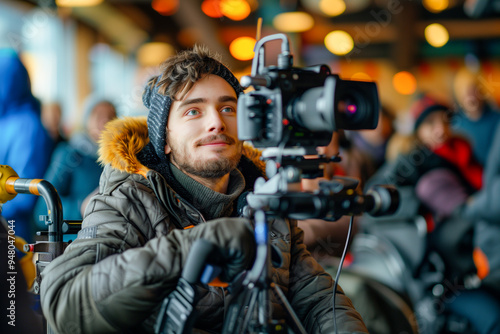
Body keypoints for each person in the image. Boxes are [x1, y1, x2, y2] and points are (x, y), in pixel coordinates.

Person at [40, 45, 368, 333]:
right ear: (164, 140)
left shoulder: (266, 202)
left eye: (228, 108)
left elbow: (317, 301)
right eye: (193, 111)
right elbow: (66, 309)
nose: (216, 122)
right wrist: (195, 245)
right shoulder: (128, 200)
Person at [366, 93, 500, 334]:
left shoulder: (461, 153)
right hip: (447, 276)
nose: (440, 130)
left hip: (470, 264)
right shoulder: (427, 170)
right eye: (430, 124)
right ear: (416, 132)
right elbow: (467, 213)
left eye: (444, 121)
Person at [33, 96, 117, 223]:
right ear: (86, 120)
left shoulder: (122, 160)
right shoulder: (69, 155)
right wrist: (81, 208)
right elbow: (42, 210)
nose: (105, 120)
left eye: (111, 116)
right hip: (77, 238)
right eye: (98, 115)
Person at [0, 49, 54, 243]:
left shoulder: (28, 126)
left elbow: (23, 194)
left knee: (12, 272)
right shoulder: (6, 120)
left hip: (15, 230)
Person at [451, 68, 500, 167]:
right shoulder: (455, 126)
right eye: (465, 92)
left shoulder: (496, 119)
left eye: (473, 90)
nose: (470, 96)